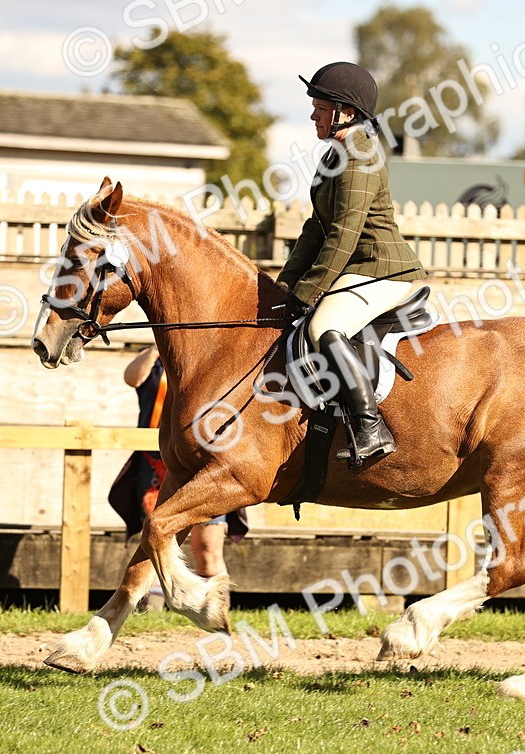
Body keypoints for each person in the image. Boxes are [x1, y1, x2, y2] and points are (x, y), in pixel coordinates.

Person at [276, 62, 427, 469]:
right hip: (358, 268)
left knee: (323, 325)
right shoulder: (335, 156)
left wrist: (308, 294)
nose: (313, 115)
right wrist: (284, 286)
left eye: (320, 107)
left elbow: (343, 234)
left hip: (383, 269)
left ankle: (369, 427)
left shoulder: (359, 156)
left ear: (345, 111)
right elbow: (315, 228)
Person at [120, 345, 248, 608]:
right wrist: (157, 347)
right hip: (156, 465)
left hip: (205, 466)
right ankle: (152, 616)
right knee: (156, 541)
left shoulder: (207, 358)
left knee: (207, 548)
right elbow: (132, 378)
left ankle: (217, 612)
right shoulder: (154, 361)